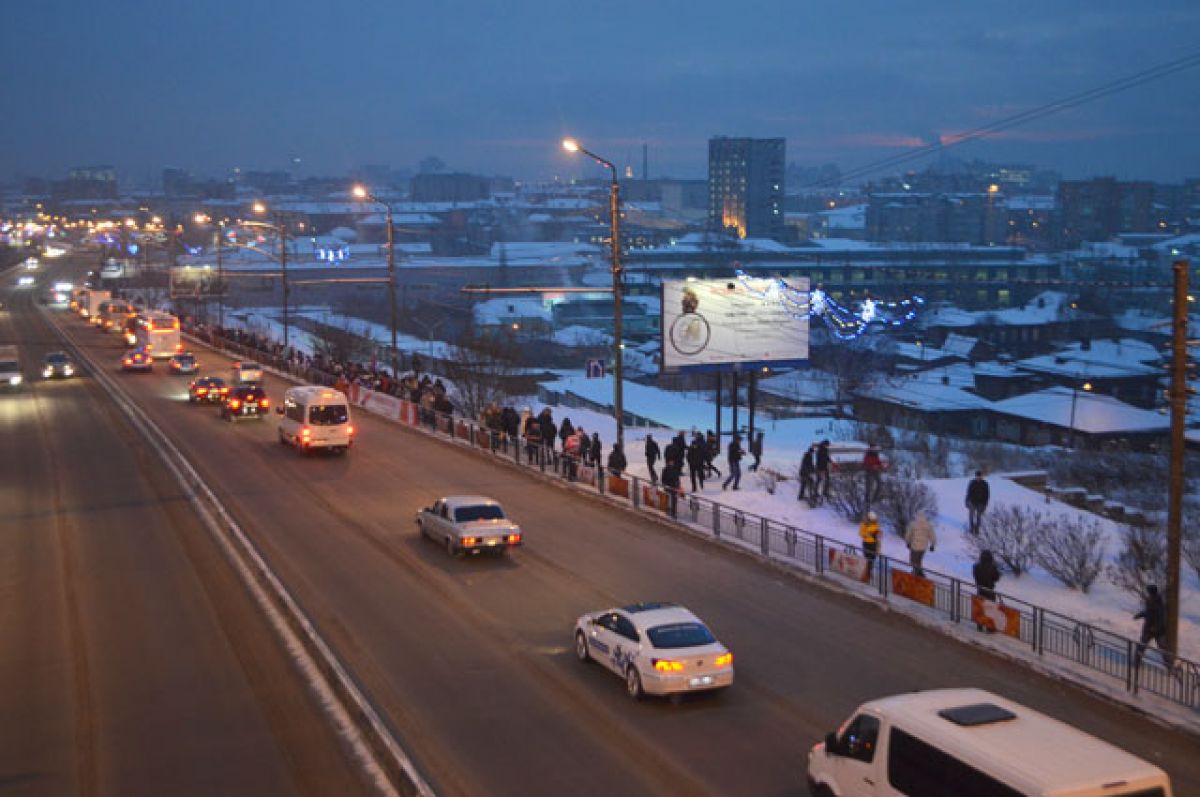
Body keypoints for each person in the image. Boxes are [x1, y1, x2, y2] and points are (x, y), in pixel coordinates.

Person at [1133, 584, 1172, 668]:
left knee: (1144, 646)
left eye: (1149, 592)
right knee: (1144, 646)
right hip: (1152, 629)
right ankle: (1136, 663)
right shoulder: (1152, 601)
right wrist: (1140, 615)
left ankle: (1169, 665)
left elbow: (1160, 616)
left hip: (1155, 630)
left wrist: (1155, 627)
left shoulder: (1157, 603)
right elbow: (1148, 612)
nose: (1148, 594)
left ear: (1151, 592)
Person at [972, 550, 1001, 631]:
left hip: (980, 589)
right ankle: (990, 628)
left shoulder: (976, 566)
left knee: (980, 608)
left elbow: (975, 576)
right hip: (989, 591)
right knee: (990, 609)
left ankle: (979, 625)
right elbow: (996, 578)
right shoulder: (992, 567)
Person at [904, 511, 936, 578]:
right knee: (918, 560)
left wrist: (907, 542)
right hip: (923, 547)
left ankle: (918, 574)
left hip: (914, 546)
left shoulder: (913, 524)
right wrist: (932, 545)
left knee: (914, 560)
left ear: (916, 516)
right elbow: (932, 535)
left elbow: (908, 534)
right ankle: (918, 572)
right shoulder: (928, 525)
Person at [966, 470, 990, 535]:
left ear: (982, 476)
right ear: (975, 476)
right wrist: (967, 501)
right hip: (972, 502)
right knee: (971, 516)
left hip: (981, 503)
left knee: (979, 517)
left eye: (980, 476)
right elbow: (968, 492)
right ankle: (971, 527)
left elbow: (987, 495)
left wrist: (985, 504)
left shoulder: (985, 484)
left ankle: (977, 529)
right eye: (977, 476)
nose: (978, 477)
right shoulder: (972, 483)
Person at [859, 511, 881, 579]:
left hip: (874, 543)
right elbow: (861, 533)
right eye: (872, 519)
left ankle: (869, 571)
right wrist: (868, 534)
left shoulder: (876, 524)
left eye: (874, 519)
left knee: (872, 558)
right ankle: (866, 572)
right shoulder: (864, 524)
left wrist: (878, 534)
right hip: (867, 543)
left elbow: (878, 534)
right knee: (867, 557)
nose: (874, 520)